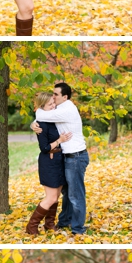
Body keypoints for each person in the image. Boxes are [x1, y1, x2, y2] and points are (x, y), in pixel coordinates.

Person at [30, 82, 89, 236]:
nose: (53, 97)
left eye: (56, 95)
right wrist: (34, 125)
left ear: (65, 97)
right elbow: (43, 117)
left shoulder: (67, 109)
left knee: (75, 195)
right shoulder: (57, 108)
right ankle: (64, 222)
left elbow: (41, 114)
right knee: (67, 194)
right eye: (52, 94)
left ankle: (78, 229)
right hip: (64, 157)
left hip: (75, 157)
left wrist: (35, 121)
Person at [25, 92, 72, 235]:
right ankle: (31, 226)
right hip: (49, 161)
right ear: (41, 108)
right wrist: (59, 141)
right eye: (50, 104)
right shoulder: (41, 124)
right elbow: (44, 148)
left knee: (56, 196)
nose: (53, 106)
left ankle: (49, 225)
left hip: (59, 160)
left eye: (53, 103)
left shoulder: (54, 118)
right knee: (50, 197)